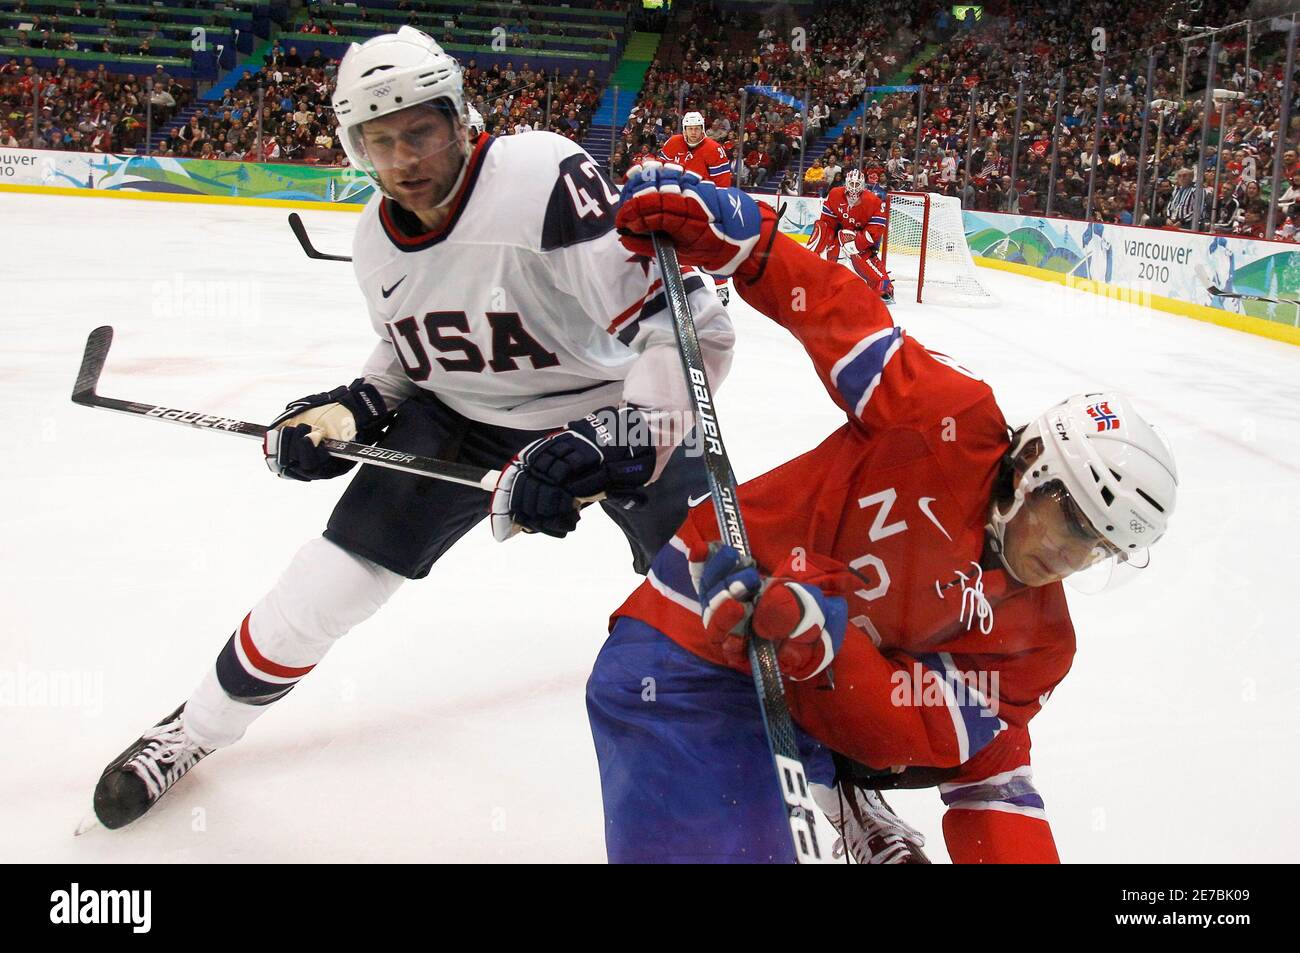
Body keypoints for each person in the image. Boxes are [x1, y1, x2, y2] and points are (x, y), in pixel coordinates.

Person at [90, 28, 734, 830]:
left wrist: (619, 438)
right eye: (378, 141)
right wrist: (349, 406)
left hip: (613, 403)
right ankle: (192, 729)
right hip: (463, 416)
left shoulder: (540, 179)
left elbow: (696, 328)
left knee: (733, 597)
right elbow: (410, 355)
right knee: (320, 586)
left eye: (420, 131)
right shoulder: (374, 240)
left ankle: (834, 781)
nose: (403, 158)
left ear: (461, 118)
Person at [585, 163, 1179, 863]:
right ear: (1034, 471)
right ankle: (823, 773)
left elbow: (925, 737)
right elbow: (843, 316)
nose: (1074, 556)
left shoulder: (1043, 639)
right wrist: (751, 243)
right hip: (691, 642)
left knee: (991, 736)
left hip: (820, 684)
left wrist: (822, 644)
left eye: (1099, 547)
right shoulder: (942, 418)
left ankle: (835, 776)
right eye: (1075, 522)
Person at [657, 110, 733, 304]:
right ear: (684, 129)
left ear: (703, 130)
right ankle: (681, 287)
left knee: (708, 248)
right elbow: (661, 169)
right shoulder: (673, 143)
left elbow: (723, 183)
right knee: (672, 247)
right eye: (690, 129)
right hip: (677, 203)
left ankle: (721, 286)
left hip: (703, 206)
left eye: (697, 129)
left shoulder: (714, 149)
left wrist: (719, 207)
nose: (693, 133)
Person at [806, 168, 895, 302]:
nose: (854, 188)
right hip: (842, 233)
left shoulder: (873, 201)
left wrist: (858, 242)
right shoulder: (835, 194)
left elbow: (876, 229)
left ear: (863, 185)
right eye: (851, 184)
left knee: (856, 251)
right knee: (823, 229)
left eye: (857, 184)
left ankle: (884, 285)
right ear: (846, 183)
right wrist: (819, 243)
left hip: (863, 235)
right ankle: (824, 277)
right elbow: (827, 222)